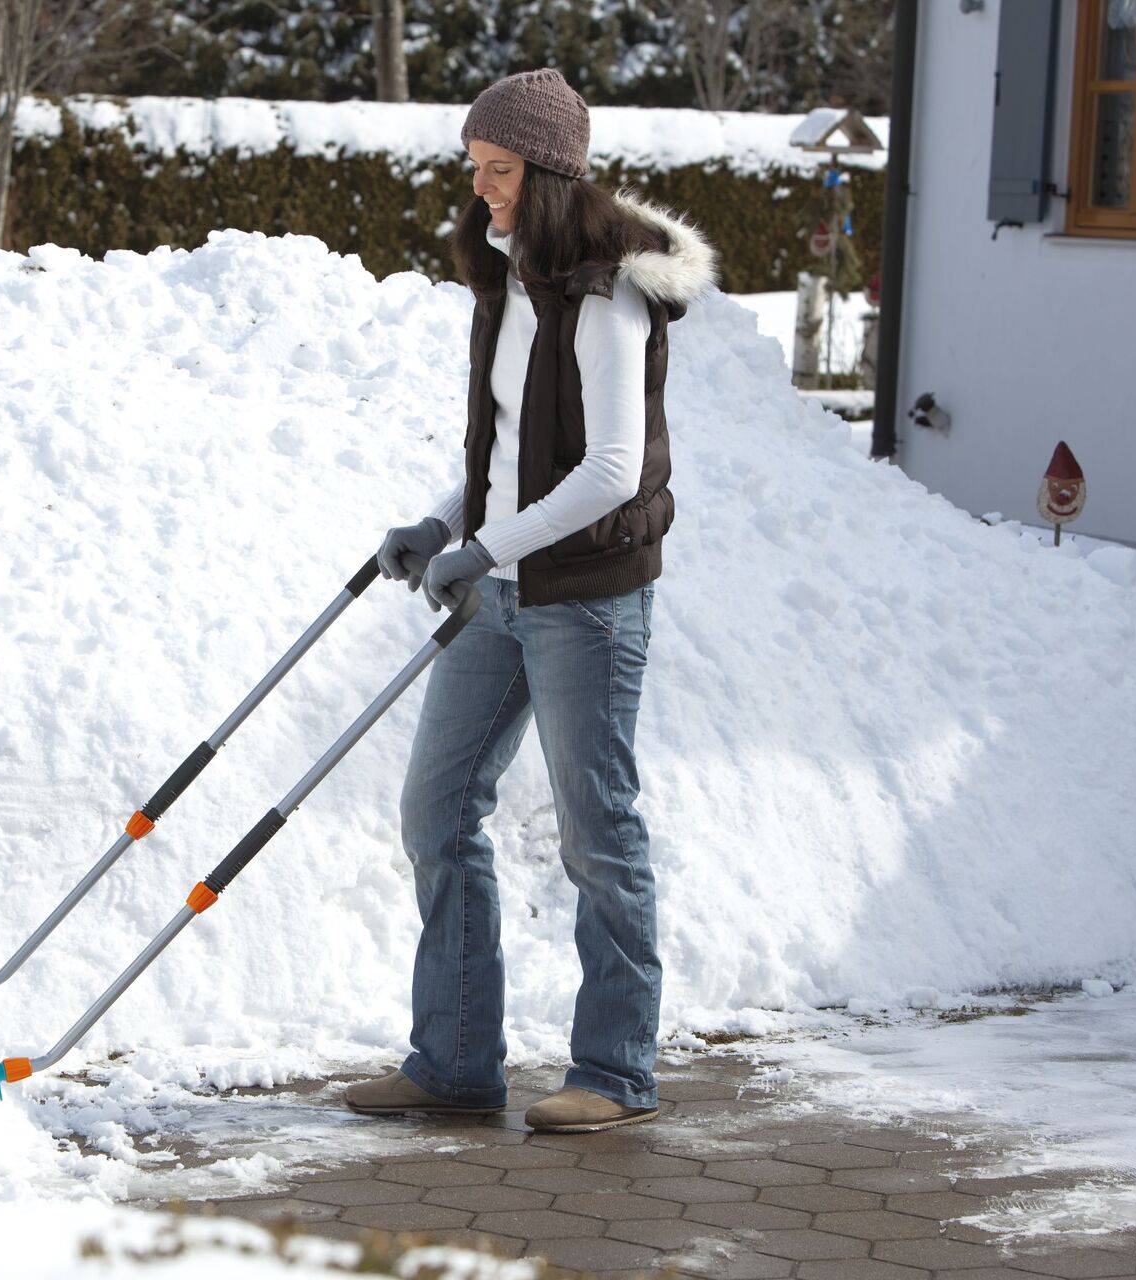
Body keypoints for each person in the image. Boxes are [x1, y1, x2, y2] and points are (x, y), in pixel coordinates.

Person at [344, 68, 715, 1134]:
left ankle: (615, 1070)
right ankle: (456, 1060)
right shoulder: (508, 282)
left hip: (585, 599)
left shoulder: (607, 295)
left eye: (500, 168)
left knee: (597, 831)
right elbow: (513, 455)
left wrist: (486, 547)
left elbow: (608, 470)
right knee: (437, 808)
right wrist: (442, 525)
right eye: (474, 166)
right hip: (499, 588)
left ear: (549, 174)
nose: (481, 187)